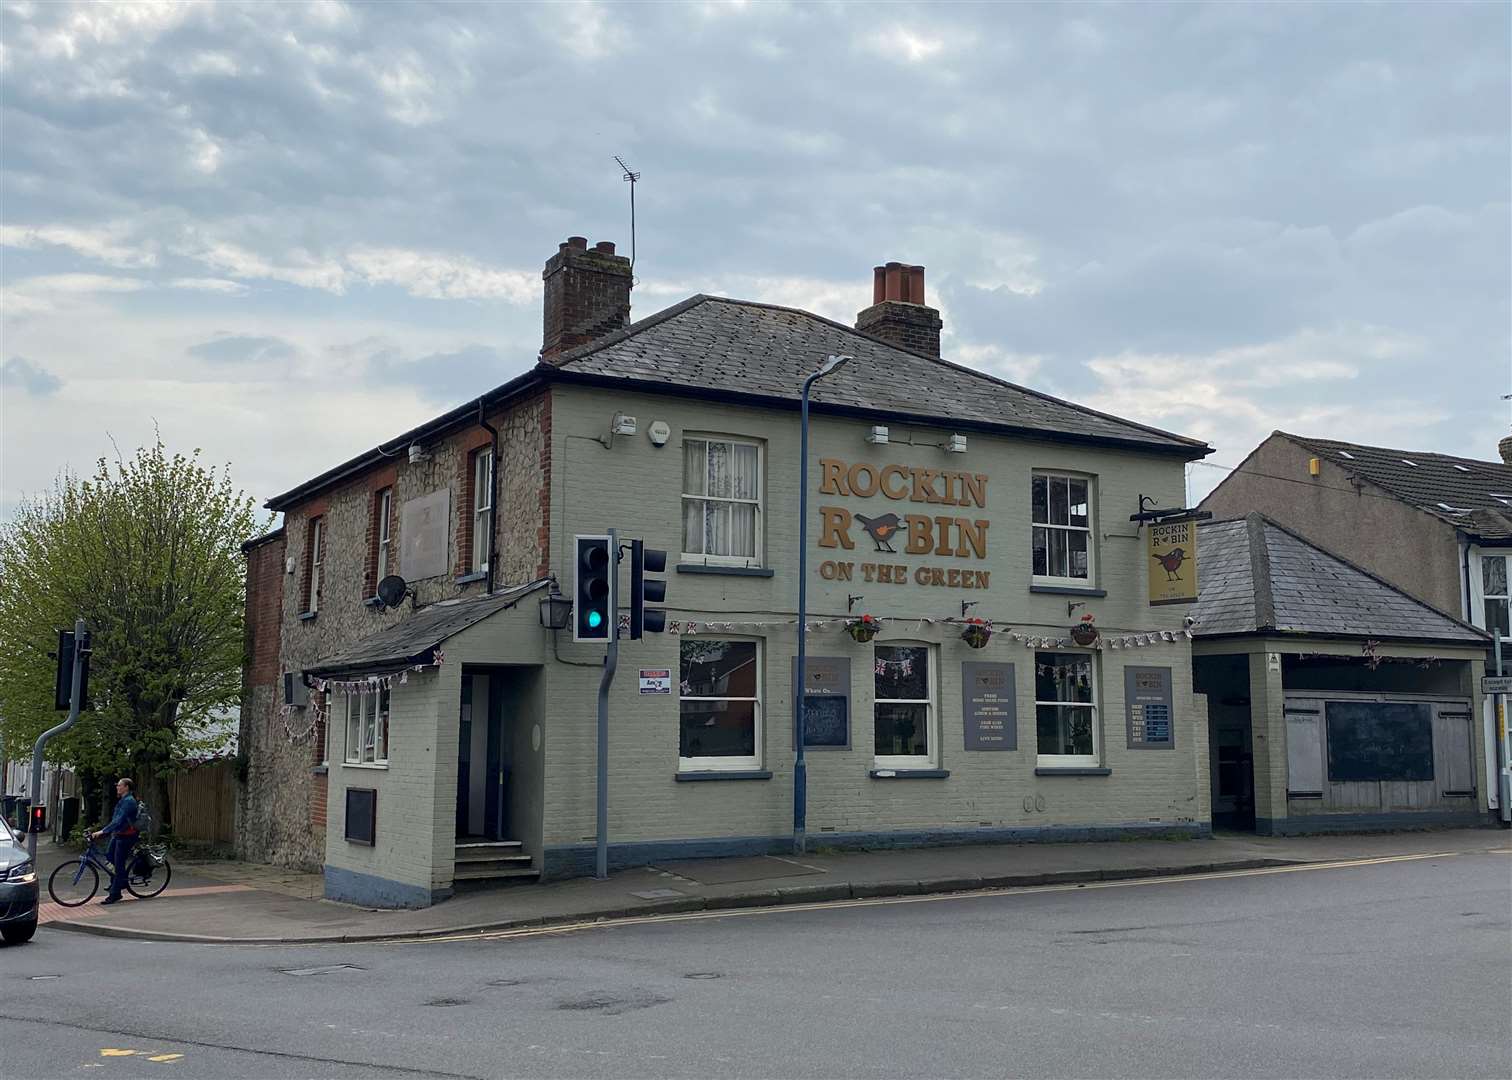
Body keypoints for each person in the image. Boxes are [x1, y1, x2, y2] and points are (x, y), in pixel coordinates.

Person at [89, 778, 139, 905]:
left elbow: (119, 820)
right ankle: (118, 882)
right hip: (118, 834)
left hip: (127, 836)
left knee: (118, 864)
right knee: (109, 858)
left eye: (120, 785)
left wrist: (102, 832)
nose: (117, 787)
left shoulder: (129, 802)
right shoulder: (123, 800)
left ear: (126, 787)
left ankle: (115, 894)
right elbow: (115, 820)